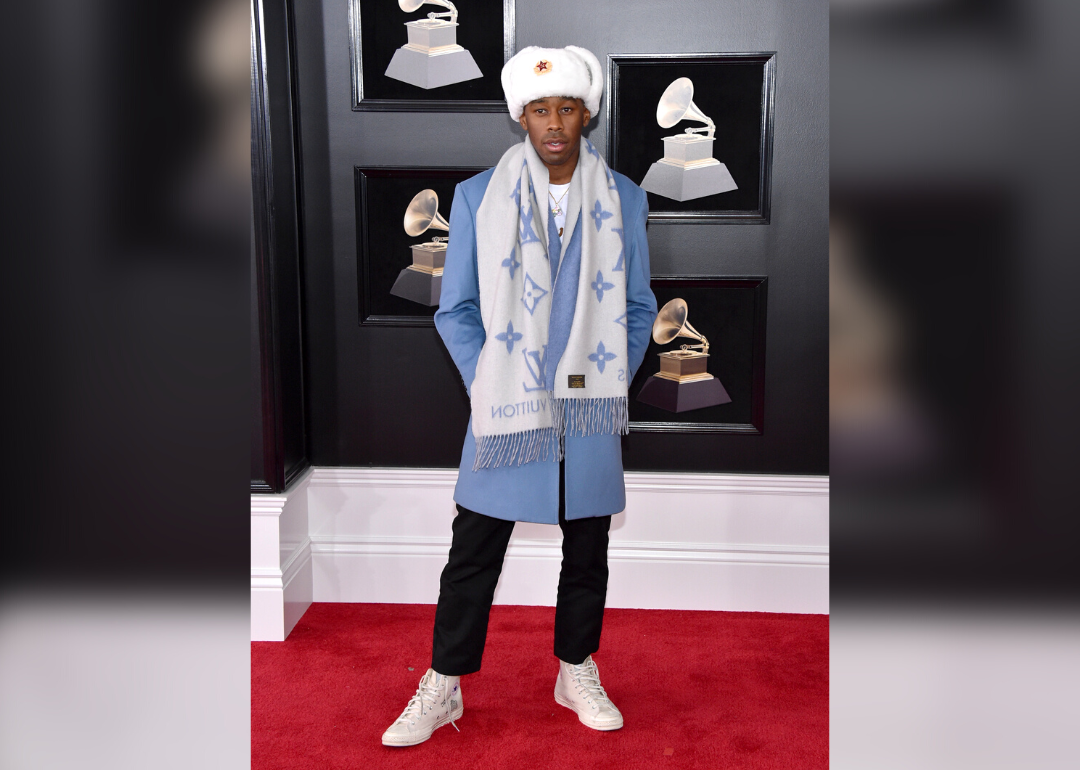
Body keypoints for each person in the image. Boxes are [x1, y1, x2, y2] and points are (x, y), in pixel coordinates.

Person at [381, 44, 658, 747]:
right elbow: (457, 309)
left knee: (587, 547)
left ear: (586, 113)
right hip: (505, 405)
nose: (554, 122)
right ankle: (443, 683)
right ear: (521, 118)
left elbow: (635, 306)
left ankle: (575, 667)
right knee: (473, 548)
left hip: (588, 401)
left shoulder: (625, 196)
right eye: (540, 109)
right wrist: (489, 380)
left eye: (567, 107)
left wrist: (605, 379)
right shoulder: (477, 196)